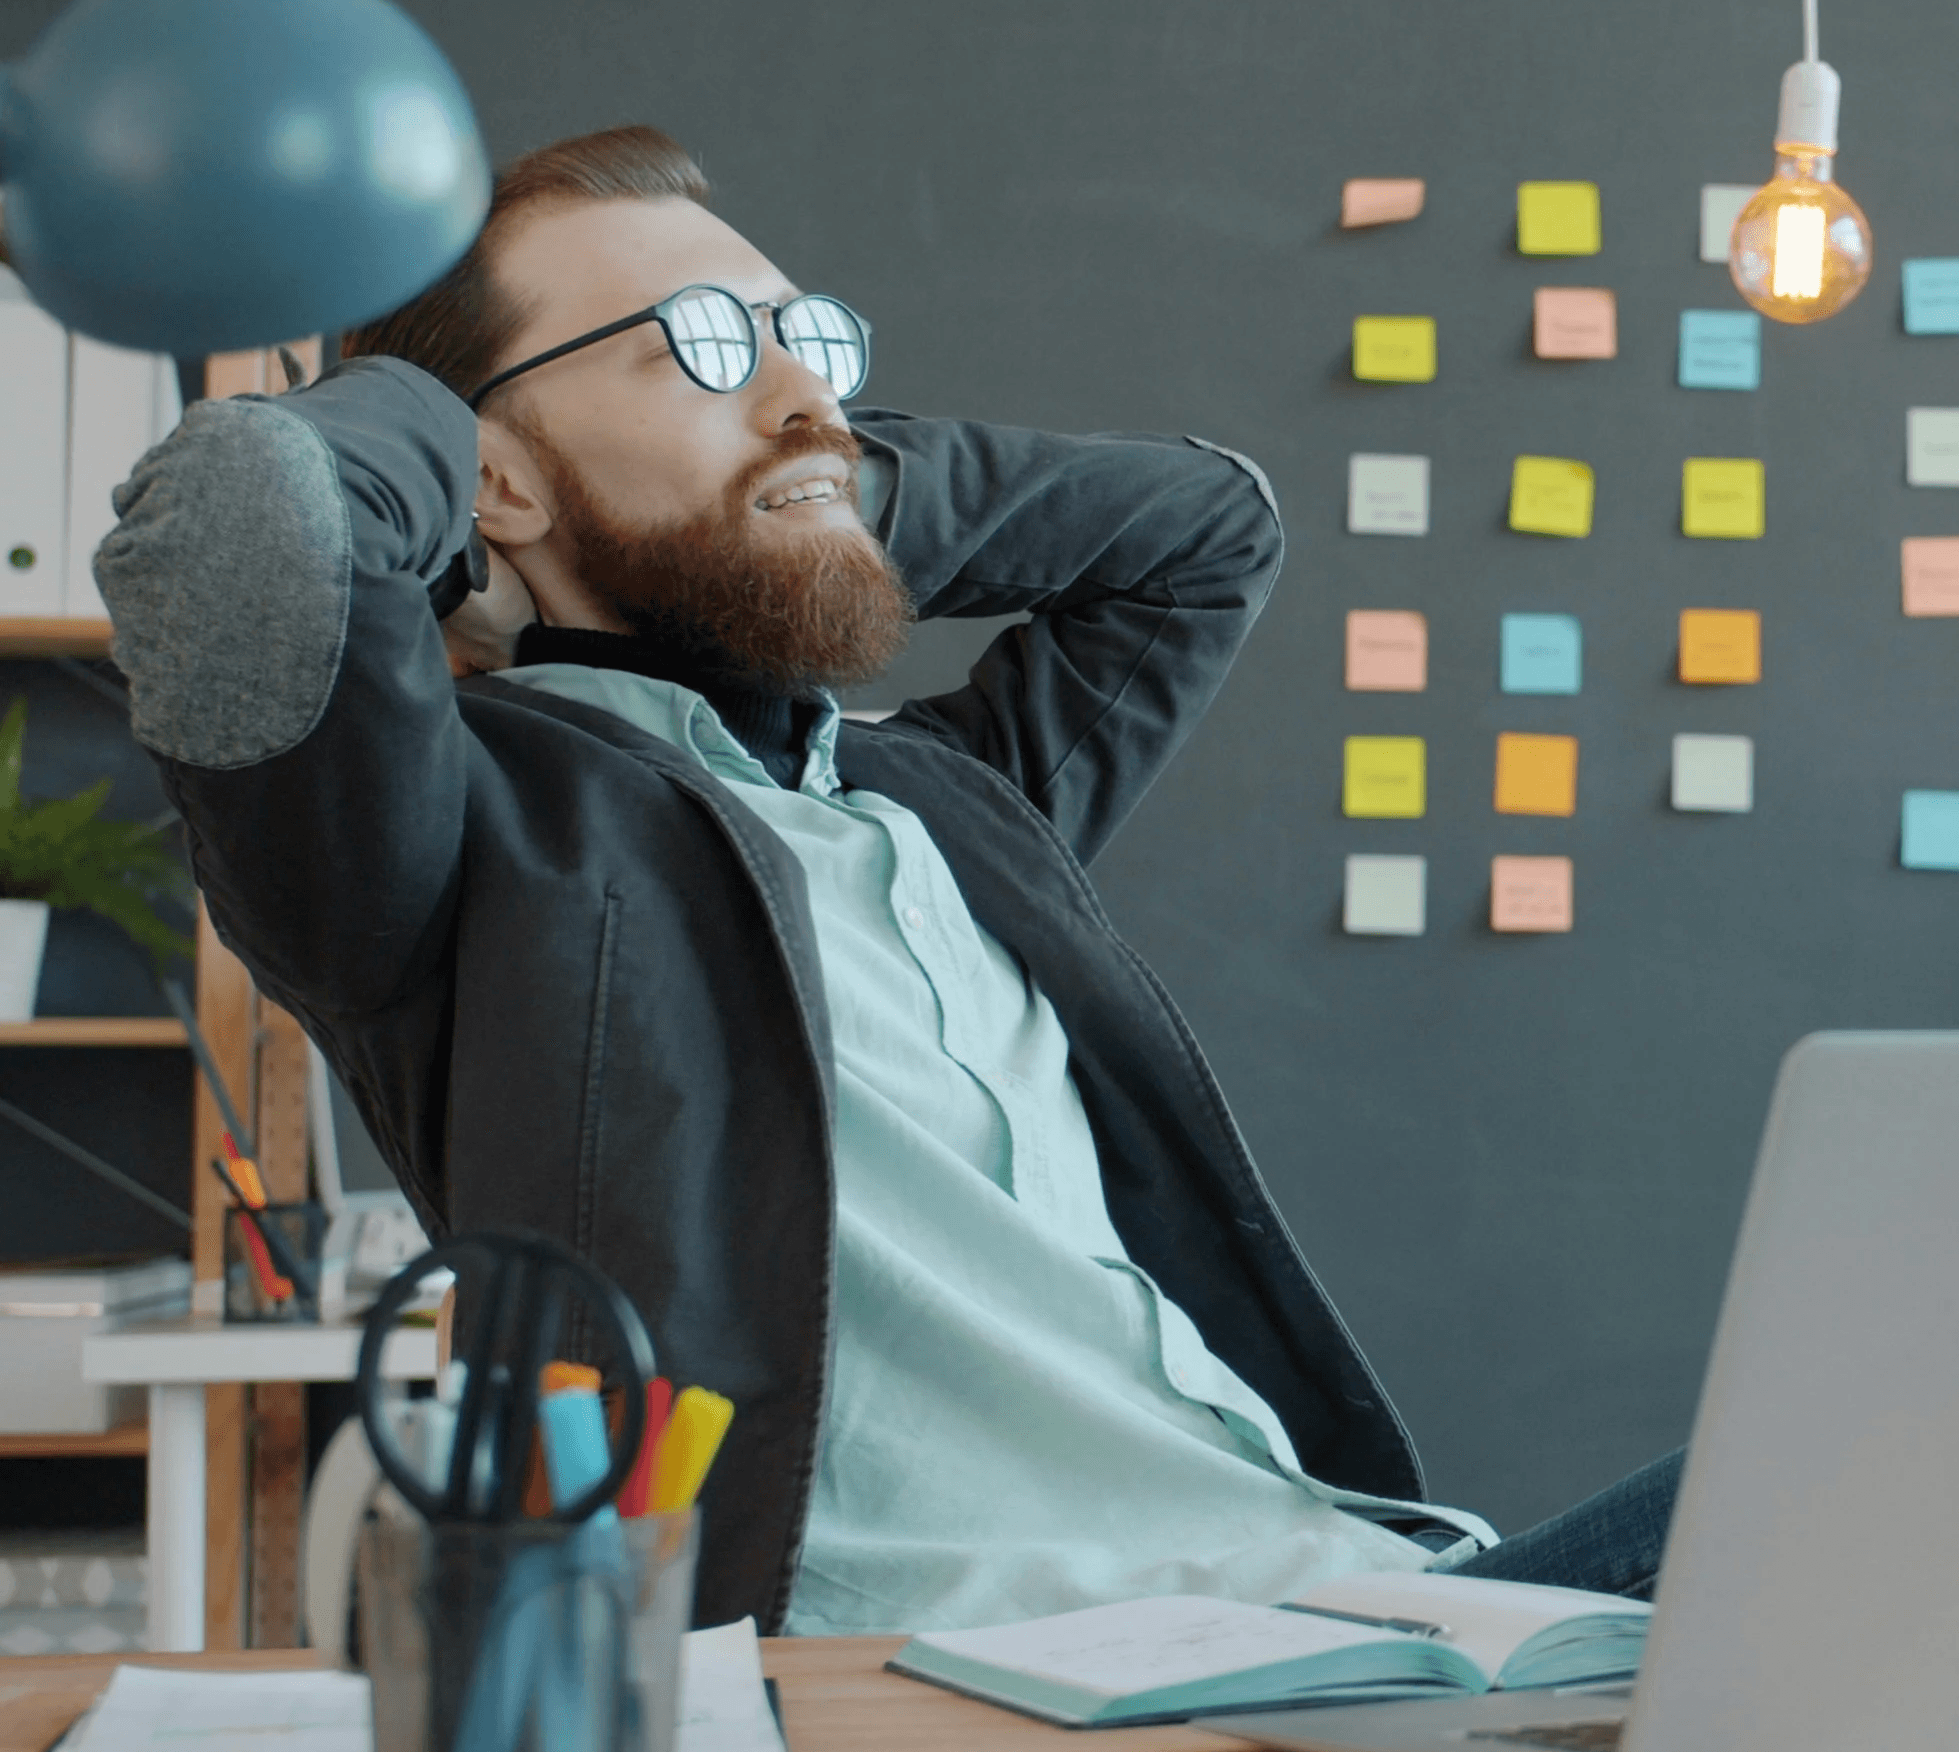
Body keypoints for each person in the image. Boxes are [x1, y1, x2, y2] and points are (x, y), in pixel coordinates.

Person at [95, 125, 1681, 1633]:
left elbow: (1204, 533)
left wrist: (802, 482)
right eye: (702, 344)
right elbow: (245, 522)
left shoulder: (940, 797)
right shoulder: (453, 840)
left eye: (815, 345)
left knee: (1897, 1444)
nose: (811, 397)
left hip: (1348, 1594)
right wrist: (456, 436)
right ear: (490, 482)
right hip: (976, 1664)